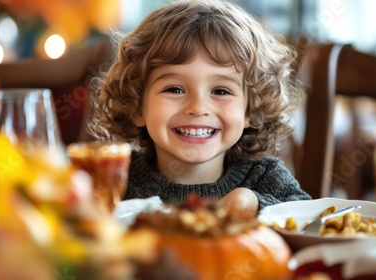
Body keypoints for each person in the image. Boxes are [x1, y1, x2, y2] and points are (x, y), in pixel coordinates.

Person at [89, 0, 312, 218]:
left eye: (221, 91)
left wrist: (255, 203)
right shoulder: (116, 180)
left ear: (250, 110)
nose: (197, 108)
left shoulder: (264, 176)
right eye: (175, 89)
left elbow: (310, 218)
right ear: (136, 105)